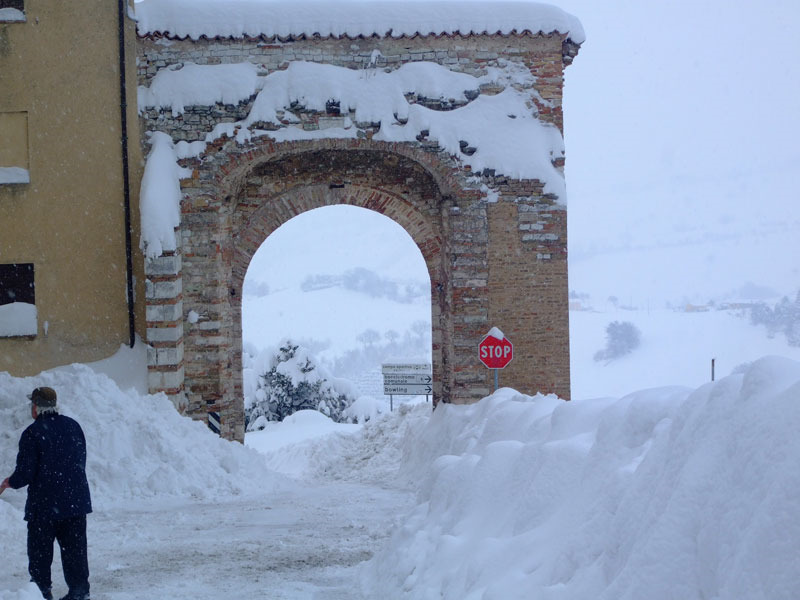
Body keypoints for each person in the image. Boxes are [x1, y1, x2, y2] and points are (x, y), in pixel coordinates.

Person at [0, 387, 92, 600]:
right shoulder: (73, 426)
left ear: (36, 407)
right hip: (75, 502)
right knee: (75, 551)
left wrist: (10, 482)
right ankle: (79, 593)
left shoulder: (33, 433)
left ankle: (41, 592)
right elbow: (80, 460)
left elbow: (25, 473)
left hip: (45, 506)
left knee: (40, 553)